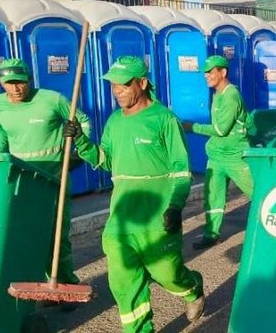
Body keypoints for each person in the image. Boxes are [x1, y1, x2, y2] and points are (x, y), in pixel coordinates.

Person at [69, 55, 205, 330]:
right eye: (113, 85)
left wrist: (175, 206)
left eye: (124, 84)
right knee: (124, 283)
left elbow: (181, 171)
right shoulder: (114, 122)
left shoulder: (164, 119)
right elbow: (105, 160)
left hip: (157, 217)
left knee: (167, 274)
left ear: (142, 83)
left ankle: (191, 288)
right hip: (121, 220)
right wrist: (81, 141)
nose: (117, 90)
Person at [0, 58, 97, 293]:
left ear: (30, 79)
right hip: (23, 181)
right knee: (28, 234)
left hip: (54, 179)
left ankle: (65, 283)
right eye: (10, 83)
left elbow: (84, 122)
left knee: (57, 236)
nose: (16, 88)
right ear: (1, 82)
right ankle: (38, 283)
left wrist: (77, 150)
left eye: (21, 82)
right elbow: (2, 137)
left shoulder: (52, 100)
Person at [182, 55, 253, 250]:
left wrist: (191, 126)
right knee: (213, 197)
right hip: (217, 157)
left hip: (235, 157)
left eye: (210, 72)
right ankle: (211, 234)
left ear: (223, 72)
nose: (206, 75)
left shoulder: (231, 96)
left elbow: (221, 129)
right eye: (205, 72)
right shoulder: (217, 94)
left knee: (257, 192)